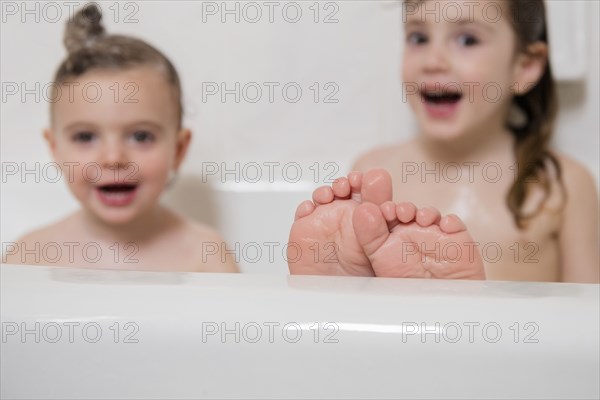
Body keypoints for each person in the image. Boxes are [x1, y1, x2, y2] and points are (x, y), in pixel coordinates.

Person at [289, 0, 599, 283]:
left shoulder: (564, 185)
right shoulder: (374, 173)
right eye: (419, 38)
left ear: (525, 66)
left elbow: (587, 320)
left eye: (467, 40)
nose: (433, 60)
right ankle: (345, 285)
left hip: (511, 343)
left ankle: (464, 307)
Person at [3, 4, 238, 272]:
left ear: (179, 148)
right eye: (85, 136)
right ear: (55, 149)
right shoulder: (30, 255)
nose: (113, 158)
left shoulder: (205, 255)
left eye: (141, 136)